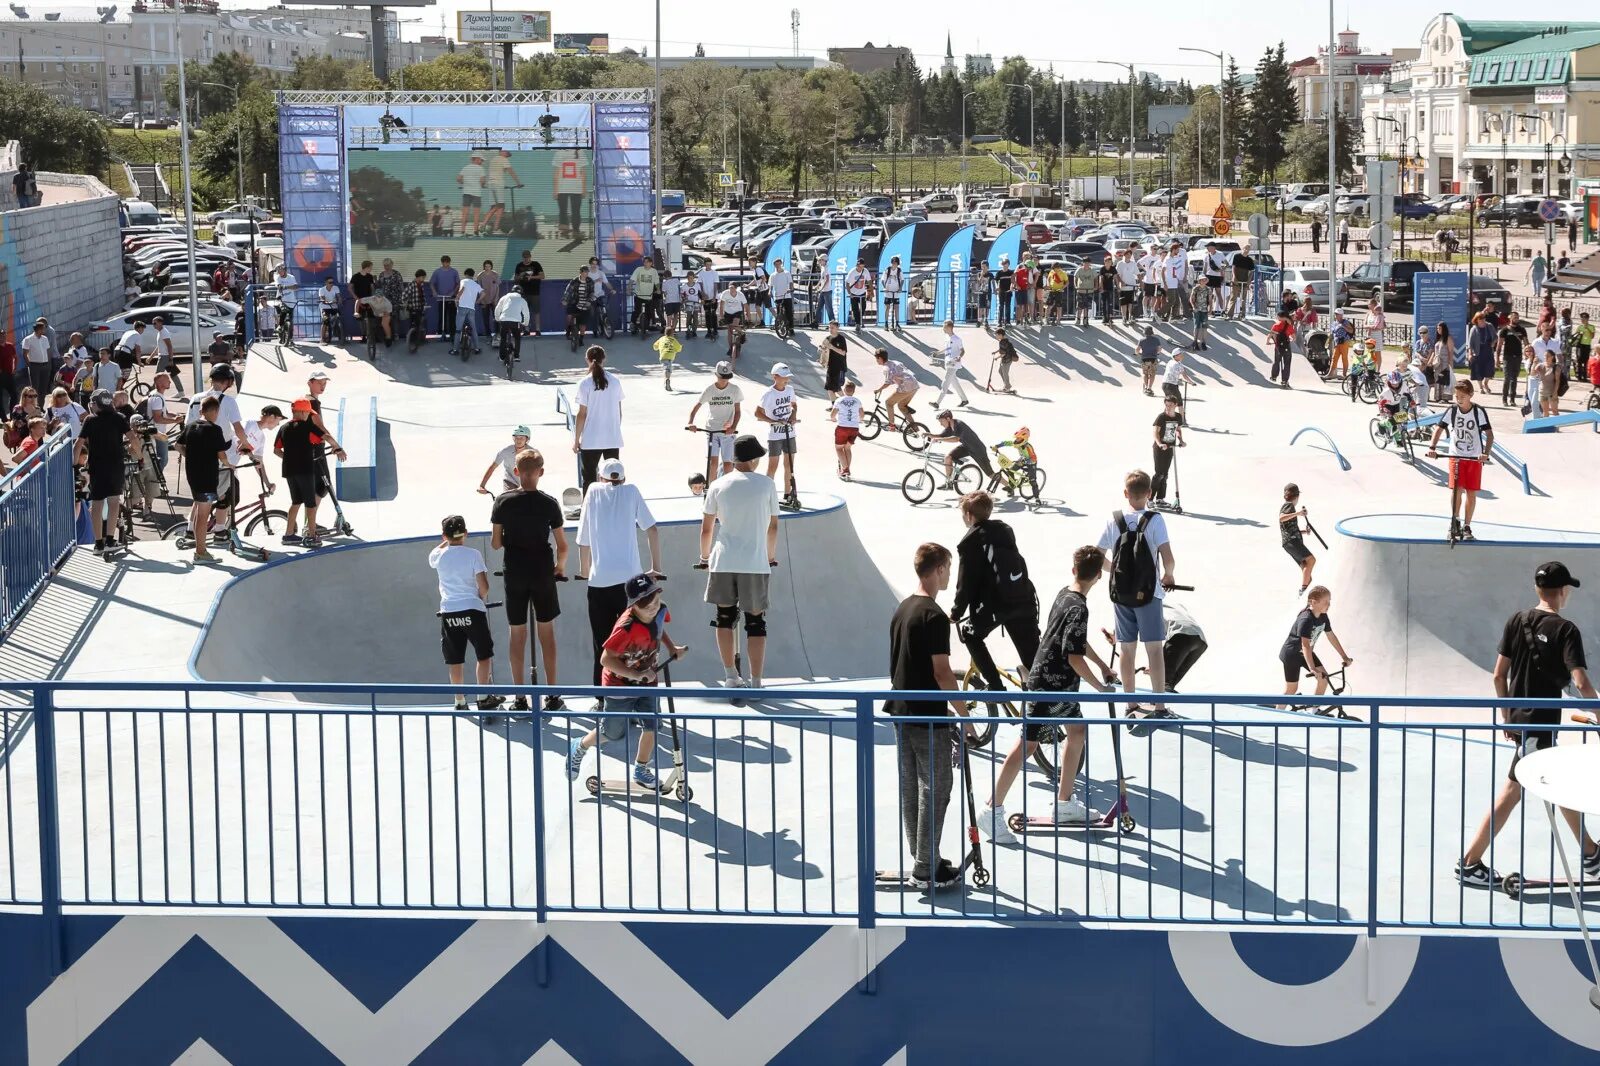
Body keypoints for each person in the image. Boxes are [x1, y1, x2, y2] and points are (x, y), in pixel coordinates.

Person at [1455, 562, 1600, 887]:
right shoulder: (1566, 630)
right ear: (1563, 592)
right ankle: (1469, 863)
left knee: (1556, 784)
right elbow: (1581, 682)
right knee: (1513, 791)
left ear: (1537, 589)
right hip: (1540, 723)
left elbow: (1498, 675)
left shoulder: (1516, 621)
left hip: (1521, 719)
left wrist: (1507, 717)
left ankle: (1590, 852)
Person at [977, 545, 1116, 840]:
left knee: (1077, 731)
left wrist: (1103, 664)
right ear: (1098, 578)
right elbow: (1073, 656)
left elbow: (1076, 643)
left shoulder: (1066, 594)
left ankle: (1065, 803)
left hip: (1059, 687)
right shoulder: (1079, 607)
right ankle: (991, 810)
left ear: (1074, 570)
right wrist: (1101, 688)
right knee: (1026, 745)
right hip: (1049, 686)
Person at [884, 542, 969, 889]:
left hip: (901, 709)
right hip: (926, 717)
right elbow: (942, 672)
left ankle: (925, 857)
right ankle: (925, 866)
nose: (949, 574)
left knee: (912, 787)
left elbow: (902, 666)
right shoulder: (934, 616)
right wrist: (965, 714)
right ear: (938, 569)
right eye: (948, 568)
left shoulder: (903, 608)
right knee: (937, 787)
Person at [564, 572, 686, 790]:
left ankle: (640, 768)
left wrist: (671, 647)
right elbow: (605, 659)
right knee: (611, 732)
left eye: (655, 601)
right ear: (634, 605)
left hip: (647, 682)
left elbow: (658, 628)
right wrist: (636, 675)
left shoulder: (659, 609)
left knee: (651, 725)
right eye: (645, 604)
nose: (652, 608)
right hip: (618, 685)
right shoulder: (626, 627)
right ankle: (579, 746)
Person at [575, 459, 663, 703]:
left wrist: (584, 571)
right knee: (635, 643)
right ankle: (636, 697)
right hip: (631, 586)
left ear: (602, 478)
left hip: (600, 582)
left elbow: (583, 539)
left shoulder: (592, 491)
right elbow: (652, 529)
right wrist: (656, 568)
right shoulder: (631, 491)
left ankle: (603, 700)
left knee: (603, 645)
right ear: (622, 479)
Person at [699, 433, 780, 694]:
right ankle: (756, 681)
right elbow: (773, 526)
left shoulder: (717, 485)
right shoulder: (766, 484)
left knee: (724, 619)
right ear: (754, 459)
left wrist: (703, 557)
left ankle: (730, 676)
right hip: (755, 562)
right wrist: (769, 556)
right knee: (756, 623)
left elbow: (706, 529)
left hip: (723, 561)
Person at [491, 448, 568, 716]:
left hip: (514, 572)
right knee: (546, 633)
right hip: (542, 572)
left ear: (516, 472)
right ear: (541, 472)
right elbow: (563, 546)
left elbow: (496, 543)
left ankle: (520, 697)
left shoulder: (502, 501)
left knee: (517, 633)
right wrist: (559, 568)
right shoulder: (549, 503)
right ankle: (553, 694)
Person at [1098, 470, 1179, 725]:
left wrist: (1118, 572)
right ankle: (1159, 705)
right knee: (1154, 649)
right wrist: (1168, 576)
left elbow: (1099, 555)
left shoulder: (1114, 520)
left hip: (1121, 595)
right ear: (1149, 493)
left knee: (1126, 649)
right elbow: (1168, 557)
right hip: (1149, 593)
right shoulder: (1155, 519)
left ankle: (1130, 703)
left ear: (1125, 494)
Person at [949, 488, 1038, 684]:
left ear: (969, 515)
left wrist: (956, 613)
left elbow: (965, 583)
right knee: (1033, 657)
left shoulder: (970, 542)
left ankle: (996, 687)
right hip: (1024, 599)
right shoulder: (1005, 530)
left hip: (996, 606)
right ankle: (1044, 696)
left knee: (970, 635)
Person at [430, 515, 501, 711]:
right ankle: (483, 696)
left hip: (449, 611)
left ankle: (459, 700)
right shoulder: (473, 554)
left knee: (455, 658)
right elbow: (484, 587)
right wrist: (476, 598)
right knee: (484, 655)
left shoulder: (437, 557)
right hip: (472, 609)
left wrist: (447, 541)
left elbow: (435, 551)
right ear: (466, 533)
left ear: (444, 536)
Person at [1427, 381, 1494, 540]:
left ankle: (1467, 526)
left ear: (1471, 395)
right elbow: (1439, 428)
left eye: (1462, 396)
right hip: (1456, 456)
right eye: (1457, 396)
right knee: (1457, 489)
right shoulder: (1452, 410)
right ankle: (1454, 521)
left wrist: (1485, 453)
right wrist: (1432, 447)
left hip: (1474, 458)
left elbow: (1490, 435)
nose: (1459, 399)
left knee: (1471, 492)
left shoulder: (1479, 412)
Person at [73, 390, 136, 557]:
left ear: (96, 404)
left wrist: (74, 464)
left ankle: (98, 542)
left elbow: (79, 443)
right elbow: (133, 438)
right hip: (115, 465)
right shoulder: (119, 418)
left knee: (97, 502)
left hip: (96, 467)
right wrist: (141, 456)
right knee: (114, 501)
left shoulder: (90, 420)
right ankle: (110, 539)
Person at [1277, 586, 1353, 706]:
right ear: (1313, 602)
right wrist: (1312, 668)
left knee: (1323, 679)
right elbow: (1305, 644)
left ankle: (1314, 711)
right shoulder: (1306, 619)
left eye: (1330, 601)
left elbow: (1331, 636)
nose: (1329, 604)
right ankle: (1277, 715)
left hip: (1305, 653)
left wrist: (1344, 657)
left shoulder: (1323, 616)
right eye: (1325, 602)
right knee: (1291, 689)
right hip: (1291, 654)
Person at [180, 396, 230, 563]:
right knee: (203, 515)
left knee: (198, 513)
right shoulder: (214, 429)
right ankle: (200, 552)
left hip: (193, 475)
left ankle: (199, 548)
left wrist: (191, 455)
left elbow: (178, 445)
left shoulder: (190, 426)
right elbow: (221, 454)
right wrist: (229, 465)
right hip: (207, 477)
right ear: (215, 411)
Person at [572, 346, 624, 492]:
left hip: (591, 439)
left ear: (587, 360)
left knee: (589, 478)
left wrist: (576, 440)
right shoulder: (615, 381)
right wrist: (615, 429)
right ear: (604, 359)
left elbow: (582, 414)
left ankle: (589, 508)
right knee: (614, 477)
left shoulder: (585, 383)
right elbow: (619, 411)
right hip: (612, 438)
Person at [273, 399, 322, 547]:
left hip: (289, 470)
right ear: (301, 412)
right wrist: (338, 448)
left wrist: (289, 458)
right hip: (305, 470)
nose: (308, 415)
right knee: (311, 504)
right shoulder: (307, 427)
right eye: (308, 412)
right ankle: (312, 536)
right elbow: (324, 437)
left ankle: (289, 535)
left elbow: (276, 450)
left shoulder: (284, 428)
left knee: (296, 501)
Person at [685, 361, 742, 479]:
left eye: (726, 378)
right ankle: (712, 489)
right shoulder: (709, 390)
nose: (724, 380)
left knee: (728, 465)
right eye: (722, 377)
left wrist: (733, 427)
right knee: (713, 463)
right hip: (712, 430)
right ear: (716, 375)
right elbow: (696, 408)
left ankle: (728, 489)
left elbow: (738, 411)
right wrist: (690, 422)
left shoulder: (735, 389)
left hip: (727, 432)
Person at [756, 363, 799, 507]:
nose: (787, 379)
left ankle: (787, 494)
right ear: (775, 377)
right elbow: (758, 413)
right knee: (772, 466)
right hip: (775, 434)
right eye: (784, 377)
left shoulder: (790, 390)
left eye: (788, 377)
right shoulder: (769, 394)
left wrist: (793, 415)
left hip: (789, 432)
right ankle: (766, 495)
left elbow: (794, 405)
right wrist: (773, 421)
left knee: (789, 465)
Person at [928, 407, 995, 489]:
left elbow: (956, 439)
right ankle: (948, 483)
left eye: (941, 421)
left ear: (948, 419)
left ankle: (1009, 486)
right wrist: (927, 434)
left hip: (978, 450)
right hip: (966, 447)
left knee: (990, 474)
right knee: (948, 458)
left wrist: (939, 439)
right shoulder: (950, 427)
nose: (941, 424)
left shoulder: (959, 425)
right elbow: (940, 436)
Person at [1279, 483, 1317, 593]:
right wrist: (1298, 513)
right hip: (1291, 541)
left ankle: (1306, 590)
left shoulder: (1290, 507)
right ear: (1297, 496)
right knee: (1311, 560)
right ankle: (1304, 590)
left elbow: (1289, 528)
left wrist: (1305, 531)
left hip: (1289, 542)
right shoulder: (1289, 505)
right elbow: (1281, 518)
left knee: (1306, 569)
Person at [477, 426, 533, 496]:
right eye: (516, 437)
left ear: (527, 439)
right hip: (510, 481)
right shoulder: (505, 451)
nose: (518, 440)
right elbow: (492, 467)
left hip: (527, 483)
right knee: (510, 499)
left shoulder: (533, 453)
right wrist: (482, 486)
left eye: (521, 438)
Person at [1150, 395, 1184, 506]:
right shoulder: (1161, 417)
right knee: (1159, 474)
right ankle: (1149, 499)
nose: (1168, 407)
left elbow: (1178, 430)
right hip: (1159, 448)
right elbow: (1155, 432)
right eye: (1166, 405)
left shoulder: (1178, 416)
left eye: (1170, 405)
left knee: (1165, 474)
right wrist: (1160, 444)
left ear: (1175, 405)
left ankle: (1160, 499)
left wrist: (1181, 441)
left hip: (1170, 447)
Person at [874, 347, 919, 431]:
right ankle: (914, 428)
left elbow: (887, 382)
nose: (876, 360)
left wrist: (879, 390)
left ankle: (892, 426)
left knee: (888, 403)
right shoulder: (896, 362)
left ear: (880, 358)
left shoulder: (886, 368)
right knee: (901, 405)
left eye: (876, 358)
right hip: (915, 385)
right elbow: (901, 375)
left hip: (905, 387)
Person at [933, 319, 970, 409]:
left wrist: (959, 357)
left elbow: (962, 351)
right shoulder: (947, 338)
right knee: (955, 383)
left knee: (945, 383)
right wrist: (938, 353)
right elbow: (947, 349)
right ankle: (964, 400)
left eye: (944, 327)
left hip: (954, 364)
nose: (943, 328)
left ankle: (937, 403)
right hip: (947, 362)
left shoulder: (957, 339)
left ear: (949, 327)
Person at [1496, 309, 1529, 407]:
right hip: (1507, 357)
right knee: (1507, 378)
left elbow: (1526, 343)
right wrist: (1497, 358)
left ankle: (1512, 399)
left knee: (1514, 378)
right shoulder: (1504, 330)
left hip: (1518, 356)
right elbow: (1499, 344)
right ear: (1510, 318)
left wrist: (1528, 355)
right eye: (1514, 317)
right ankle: (1504, 399)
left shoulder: (1522, 330)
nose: (1516, 319)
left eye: (1517, 317)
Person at [831, 380, 863, 480]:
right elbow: (862, 415)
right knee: (847, 448)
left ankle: (845, 470)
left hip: (842, 427)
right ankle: (846, 470)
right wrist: (858, 420)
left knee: (839, 448)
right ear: (853, 391)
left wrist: (833, 419)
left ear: (844, 390)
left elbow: (832, 414)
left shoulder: (839, 400)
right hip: (854, 428)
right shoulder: (857, 401)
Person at [493, 283, 531, 363]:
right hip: (515, 321)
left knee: (503, 338)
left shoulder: (504, 298)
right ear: (521, 293)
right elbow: (526, 313)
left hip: (504, 320)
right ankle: (516, 356)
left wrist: (497, 319)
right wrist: (525, 323)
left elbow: (497, 309)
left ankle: (502, 357)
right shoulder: (522, 300)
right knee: (517, 337)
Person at [21, 320, 54, 398]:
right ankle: (34, 405)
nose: (44, 330)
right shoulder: (28, 339)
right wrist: (30, 365)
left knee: (44, 386)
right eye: (43, 328)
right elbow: (25, 353)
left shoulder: (45, 338)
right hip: (34, 365)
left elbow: (47, 351)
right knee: (35, 387)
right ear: (39, 329)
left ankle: (41, 405)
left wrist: (48, 362)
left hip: (45, 365)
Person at [431, 255, 460, 340]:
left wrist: (453, 292)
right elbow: (432, 283)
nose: (446, 264)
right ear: (442, 262)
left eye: (447, 262)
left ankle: (452, 334)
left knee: (452, 316)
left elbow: (458, 284)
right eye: (444, 262)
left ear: (449, 262)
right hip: (441, 298)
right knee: (441, 316)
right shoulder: (437, 272)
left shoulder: (454, 272)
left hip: (451, 298)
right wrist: (434, 291)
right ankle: (440, 333)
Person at [819, 322, 848, 406]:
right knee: (829, 389)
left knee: (837, 389)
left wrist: (832, 347)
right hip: (830, 367)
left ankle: (849, 403)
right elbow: (825, 351)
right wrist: (822, 353)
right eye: (829, 327)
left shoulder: (841, 339)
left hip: (839, 368)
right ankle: (834, 406)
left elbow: (843, 353)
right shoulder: (827, 338)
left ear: (837, 328)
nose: (830, 329)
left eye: (832, 328)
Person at [630, 257, 661, 335]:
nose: (645, 263)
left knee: (649, 313)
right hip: (639, 294)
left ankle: (645, 326)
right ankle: (633, 324)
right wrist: (629, 288)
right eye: (644, 262)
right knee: (637, 311)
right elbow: (632, 279)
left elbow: (656, 282)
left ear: (651, 263)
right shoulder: (639, 269)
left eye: (647, 262)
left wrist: (658, 289)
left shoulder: (654, 271)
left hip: (648, 296)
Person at [990, 326, 1020, 396]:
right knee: (1000, 371)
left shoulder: (1002, 342)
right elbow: (1002, 349)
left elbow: (1003, 353)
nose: (996, 336)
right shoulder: (1004, 340)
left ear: (1000, 335)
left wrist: (997, 357)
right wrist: (995, 352)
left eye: (996, 335)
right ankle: (1007, 385)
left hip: (1007, 360)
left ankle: (1007, 387)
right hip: (1006, 359)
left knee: (1005, 373)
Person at [845, 259, 872, 332]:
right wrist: (849, 293)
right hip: (853, 293)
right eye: (859, 266)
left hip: (862, 292)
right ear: (857, 265)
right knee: (855, 309)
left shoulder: (865, 271)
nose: (860, 268)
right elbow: (847, 283)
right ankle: (857, 324)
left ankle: (859, 321)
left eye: (862, 266)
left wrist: (871, 292)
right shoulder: (852, 272)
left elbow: (869, 281)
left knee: (863, 307)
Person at [1269, 310, 1294, 386]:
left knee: (1277, 361)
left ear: (1280, 317)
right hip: (1286, 346)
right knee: (1287, 363)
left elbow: (1271, 334)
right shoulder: (1289, 326)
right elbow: (1293, 336)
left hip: (1278, 346)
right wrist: (1290, 339)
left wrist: (1269, 341)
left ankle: (1274, 376)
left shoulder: (1276, 325)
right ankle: (1285, 380)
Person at [653, 326, 683, 390]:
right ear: (672, 334)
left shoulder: (661, 339)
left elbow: (655, 346)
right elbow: (679, 348)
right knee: (668, 369)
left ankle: (666, 380)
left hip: (663, 356)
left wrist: (658, 348)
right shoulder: (674, 340)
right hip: (670, 356)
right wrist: (678, 349)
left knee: (666, 368)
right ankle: (667, 379)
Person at [770, 258, 794, 336]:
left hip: (786, 296)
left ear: (781, 264)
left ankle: (791, 328)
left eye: (778, 264)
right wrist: (769, 292)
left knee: (789, 313)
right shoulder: (773, 275)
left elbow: (791, 282)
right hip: (778, 296)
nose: (777, 266)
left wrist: (790, 289)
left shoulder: (786, 273)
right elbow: (770, 285)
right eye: (776, 264)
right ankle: (781, 328)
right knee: (779, 314)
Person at [881, 255, 904, 330]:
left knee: (896, 307)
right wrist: (884, 287)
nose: (893, 264)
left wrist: (900, 288)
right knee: (887, 307)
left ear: (897, 264)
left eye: (895, 263)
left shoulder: (899, 271)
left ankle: (897, 323)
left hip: (896, 292)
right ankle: (886, 323)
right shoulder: (887, 270)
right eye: (892, 263)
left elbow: (902, 280)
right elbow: (882, 280)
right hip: (888, 291)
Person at [1073, 258, 1097, 327]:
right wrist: (1075, 285)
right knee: (1079, 306)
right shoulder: (1079, 269)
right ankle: (1078, 319)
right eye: (1085, 263)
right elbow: (1075, 277)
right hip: (1081, 290)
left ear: (1090, 263)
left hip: (1089, 290)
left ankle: (1085, 320)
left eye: (1088, 263)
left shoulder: (1092, 270)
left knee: (1087, 306)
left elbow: (1096, 278)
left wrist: (1096, 286)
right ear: (1083, 263)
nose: (1086, 264)